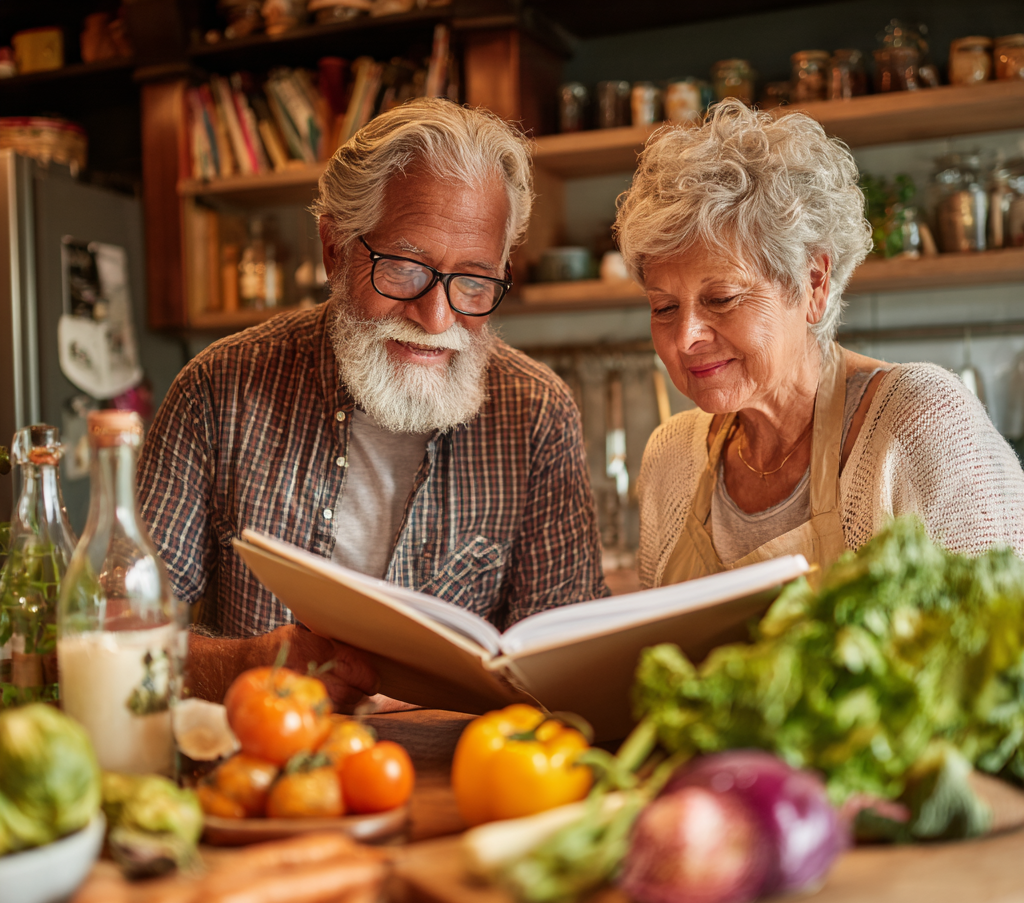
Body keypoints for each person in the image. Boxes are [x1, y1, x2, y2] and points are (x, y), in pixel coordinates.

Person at [138, 98, 607, 708]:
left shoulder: (536, 412)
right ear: (335, 247)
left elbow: (572, 673)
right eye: (407, 268)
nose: (436, 318)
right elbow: (113, 642)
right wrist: (247, 666)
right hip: (265, 772)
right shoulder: (219, 390)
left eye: (473, 280)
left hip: (468, 783)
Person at [614, 99, 1024, 589]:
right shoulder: (671, 457)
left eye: (721, 298)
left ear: (813, 284)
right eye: (664, 308)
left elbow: (1005, 641)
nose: (686, 337)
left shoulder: (921, 422)